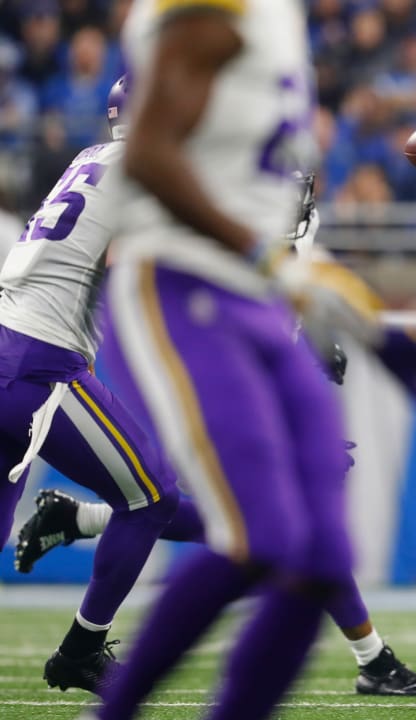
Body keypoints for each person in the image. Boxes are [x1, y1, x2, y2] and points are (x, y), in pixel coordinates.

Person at [15, 172, 416, 698]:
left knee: (260, 528)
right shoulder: (192, 212)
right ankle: (374, 660)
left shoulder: (281, 219)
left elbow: (297, 278)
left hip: (235, 347)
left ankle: (82, 523)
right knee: (271, 527)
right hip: (190, 350)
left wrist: (336, 328)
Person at [82, 3, 384, 719]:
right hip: (185, 282)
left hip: (250, 292)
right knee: (261, 541)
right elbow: (151, 151)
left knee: (319, 555)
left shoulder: (280, 17)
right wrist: (270, 259)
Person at [0, 76, 179, 696]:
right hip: (37, 365)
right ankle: (80, 653)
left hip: (11, 340)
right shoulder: (146, 169)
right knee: (152, 497)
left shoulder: (90, 158)